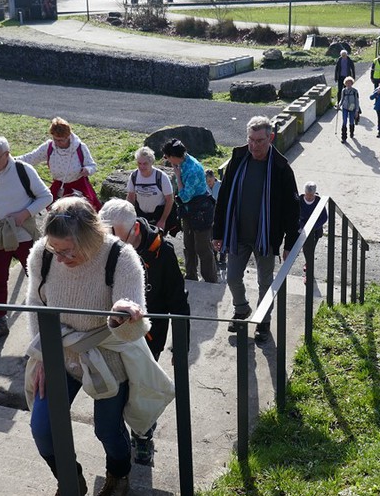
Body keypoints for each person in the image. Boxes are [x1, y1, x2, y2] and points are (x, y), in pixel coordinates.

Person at [24, 199, 173, 496]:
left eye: (68, 251)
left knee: (107, 429)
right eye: (55, 250)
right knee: (42, 428)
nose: (60, 258)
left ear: (91, 236)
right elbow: (36, 305)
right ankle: (69, 480)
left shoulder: (121, 257)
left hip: (107, 353)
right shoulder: (42, 254)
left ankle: (118, 474)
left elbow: (133, 329)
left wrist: (123, 314)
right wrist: (43, 356)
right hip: (59, 350)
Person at [98, 199, 190, 466]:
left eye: (116, 237)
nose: (110, 245)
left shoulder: (162, 253)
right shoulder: (105, 251)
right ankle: (117, 438)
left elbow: (178, 302)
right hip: (112, 335)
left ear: (135, 229)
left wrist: (181, 345)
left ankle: (142, 435)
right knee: (116, 389)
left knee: (141, 389)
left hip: (148, 337)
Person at [211, 116, 300, 344]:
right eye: (250, 139)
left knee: (265, 283)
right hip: (237, 234)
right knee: (232, 277)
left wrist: (289, 243)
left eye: (259, 141)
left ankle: (263, 321)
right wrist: (217, 232)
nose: (254, 146)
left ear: (271, 138)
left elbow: (292, 209)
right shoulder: (239, 158)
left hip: (266, 238)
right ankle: (241, 308)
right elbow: (223, 197)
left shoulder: (281, 168)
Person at [0, 136, 51, 344]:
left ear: (7, 155)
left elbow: (46, 196)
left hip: (24, 234)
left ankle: (48, 321)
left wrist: (24, 214)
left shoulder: (23, 170)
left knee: (37, 276)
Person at [162, 139, 217, 283]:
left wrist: (178, 176)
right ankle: (191, 276)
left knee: (203, 248)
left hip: (201, 212)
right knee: (189, 246)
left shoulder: (193, 169)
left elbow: (185, 196)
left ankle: (210, 280)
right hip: (188, 212)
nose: (166, 160)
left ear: (174, 156)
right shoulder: (182, 162)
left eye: (167, 157)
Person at [17, 117, 101, 210]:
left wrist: (87, 170)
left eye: (61, 140)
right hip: (59, 188)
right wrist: (12, 160)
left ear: (68, 136)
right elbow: (31, 157)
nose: (57, 143)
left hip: (79, 188)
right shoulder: (49, 147)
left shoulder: (80, 147)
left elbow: (92, 166)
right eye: (55, 139)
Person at [125, 146, 174, 232]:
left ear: (151, 162)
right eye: (139, 163)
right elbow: (130, 197)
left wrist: (163, 220)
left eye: (145, 164)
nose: (142, 166)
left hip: (158, 215)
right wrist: (129, 216)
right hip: (141, 214)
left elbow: (169, 199)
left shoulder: (161, 177)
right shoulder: (134, 176)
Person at [298, 182, 328, 282]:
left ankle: (308, 269)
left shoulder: (319, 201)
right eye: (307, 195)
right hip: (303, 230)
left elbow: (324, 217)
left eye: (311, 195)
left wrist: (314, 227)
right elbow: (295, 215)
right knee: (306, 249)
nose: (309, 197)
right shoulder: (299, 200)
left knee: (310, 249)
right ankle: (308, 268)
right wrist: (302, 225)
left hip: (315, 231)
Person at [337, 76, 359, 143]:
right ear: (345, 83)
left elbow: (357, 101)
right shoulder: (343, 91)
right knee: (344, 121)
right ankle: (343, 137)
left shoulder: (355, 91)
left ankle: (351, 133)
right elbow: (342, 99)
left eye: (350, 83)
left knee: (351, 121)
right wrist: (339, 105)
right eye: (347, 83)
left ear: (352, 83)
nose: (348, 84)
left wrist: (357, 110)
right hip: (345, 107)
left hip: (352, 107)